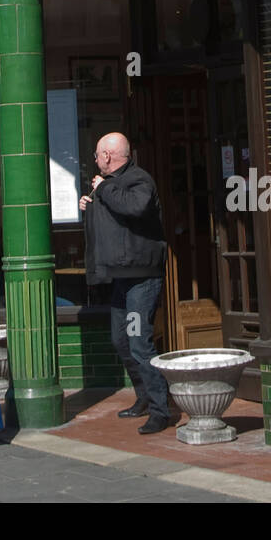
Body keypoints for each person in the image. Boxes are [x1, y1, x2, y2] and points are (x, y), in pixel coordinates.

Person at [79, 131, 171, 434]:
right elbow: (114, 223)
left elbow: (134, 207)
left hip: (141, 277)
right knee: (121, 340)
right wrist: (89, 208)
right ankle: (144, 396)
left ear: (106, 156)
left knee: (139, 343)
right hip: (120, 277)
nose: (95, 160)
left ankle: (161, 409)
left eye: (96, 155)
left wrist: (103, 191)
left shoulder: (139, 180)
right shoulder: (109, 187)